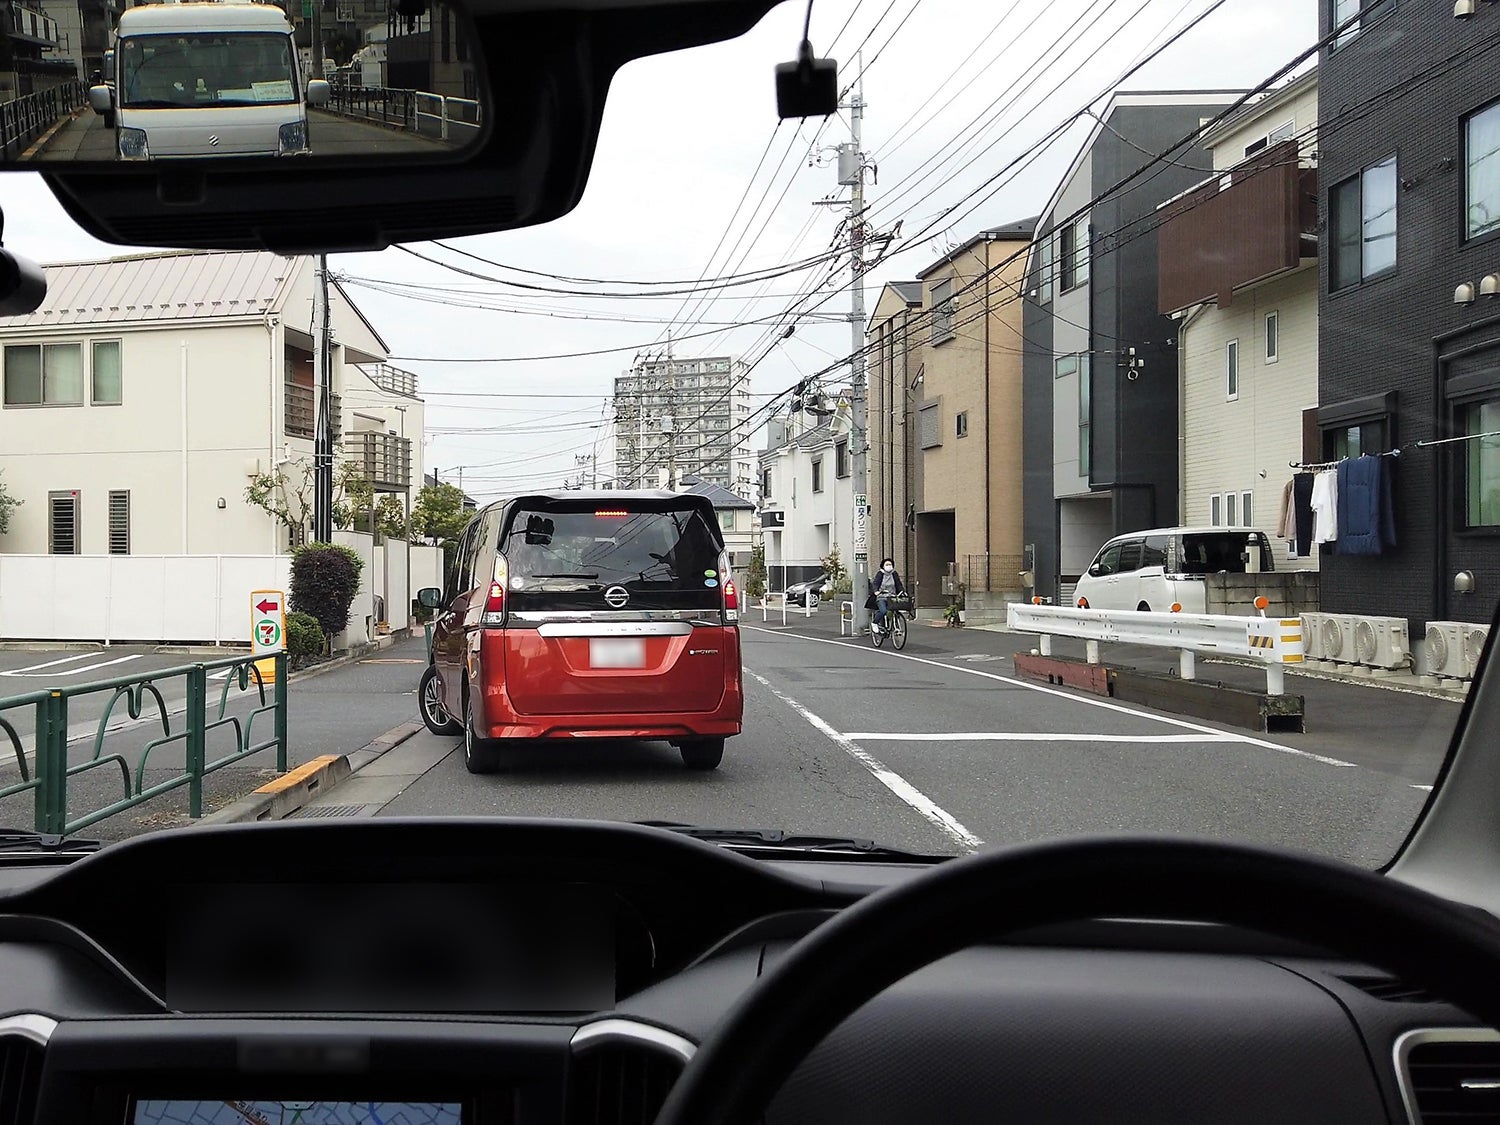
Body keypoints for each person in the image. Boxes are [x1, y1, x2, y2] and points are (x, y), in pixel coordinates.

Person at [870, 557, 905, 634]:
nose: (889, 566)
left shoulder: (894, 574)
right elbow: (875, 583)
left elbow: (898, 584)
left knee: (895, 610)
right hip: (882, 596)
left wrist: (902, 591)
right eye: (887, 564)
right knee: (883, 611)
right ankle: (875, 623)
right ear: (883, 566)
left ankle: (894, 626)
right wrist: (876, 591)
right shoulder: (880, 574)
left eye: (890, 564)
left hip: (892, 596)